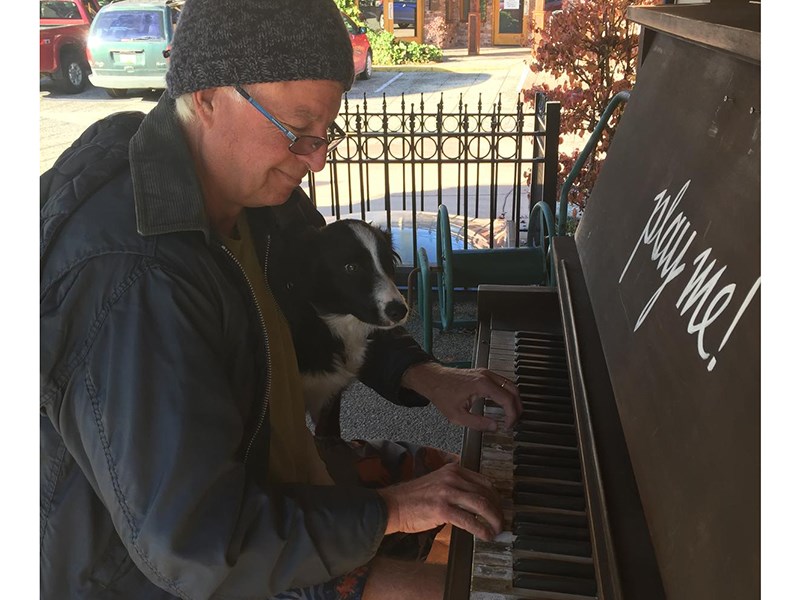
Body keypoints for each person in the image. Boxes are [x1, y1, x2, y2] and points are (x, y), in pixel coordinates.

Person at [39, 0, 522, 598]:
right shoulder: (137, 274)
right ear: (209, 93)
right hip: (164, 570)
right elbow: (195, 543)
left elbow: (335, 298)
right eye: (297, 129)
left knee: (466, 489)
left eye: (325, 132)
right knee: (449, 585)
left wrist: (429, 376)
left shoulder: (253, 198)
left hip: (267, 485)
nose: (317, 158)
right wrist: (390, 512)